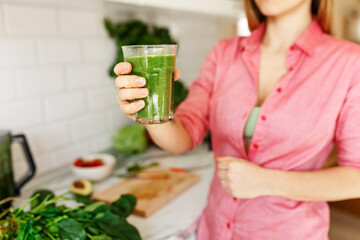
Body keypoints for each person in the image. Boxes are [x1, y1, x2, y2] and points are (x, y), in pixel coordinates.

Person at [113, 0, 360, 238]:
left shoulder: (349, 63)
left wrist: (267, 182)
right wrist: (149, 109)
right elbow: (183, 137)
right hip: (214, 230)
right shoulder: (223, 53)